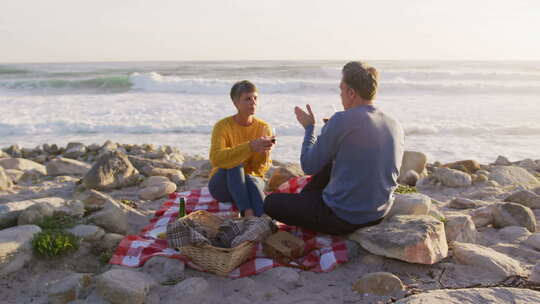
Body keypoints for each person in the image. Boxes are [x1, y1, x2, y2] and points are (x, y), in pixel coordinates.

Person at [263, 61, 404, 235]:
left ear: (351, 93)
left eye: (341, 90)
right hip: (379, 212)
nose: (341, 95)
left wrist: (309, 128)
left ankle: (307, 205)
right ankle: (307, 201)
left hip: (344, 217)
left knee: (271, 203)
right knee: (332, 161)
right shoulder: (394, 124)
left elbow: (308, 166)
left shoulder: (341, 119)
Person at [208, 80, 275, 217]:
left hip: (251, 181)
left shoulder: (264, 127)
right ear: (235, 103)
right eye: (247, 99)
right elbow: (216, 159)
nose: (253, 102)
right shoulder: (222, 126)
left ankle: (266, 222)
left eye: (255, 98)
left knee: (251, 180)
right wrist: (250, 147)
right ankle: (246, 210)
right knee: (235, 162)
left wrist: (264, 154)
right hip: (222, 185)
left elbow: (260, 169)